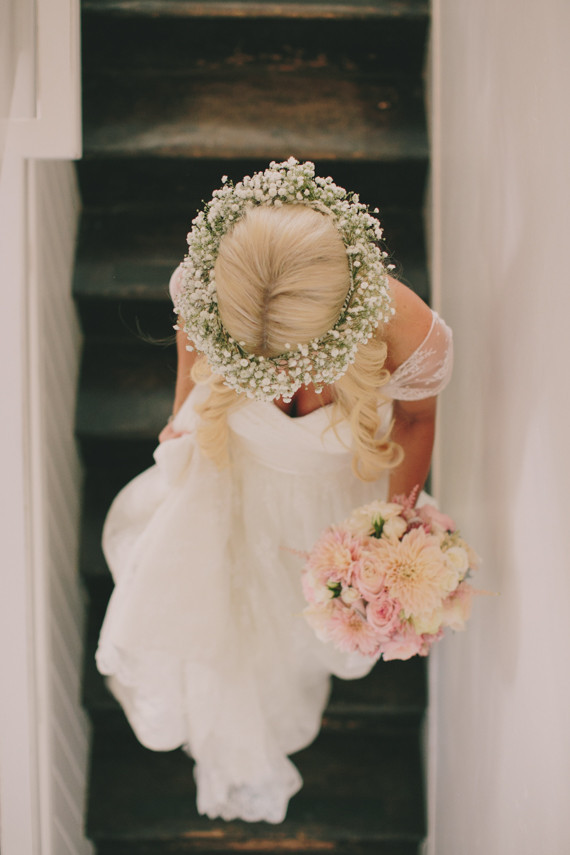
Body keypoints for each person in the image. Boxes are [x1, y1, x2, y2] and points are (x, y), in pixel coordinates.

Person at [96, 159, 453, 824]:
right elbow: (187, 342)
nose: (278, 373)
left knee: (292, 625)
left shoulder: (406, 325)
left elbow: (416, 416)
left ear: (346, 320)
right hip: (232, 474)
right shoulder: (206, 284)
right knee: (218, 612)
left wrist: (392, 528)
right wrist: (180, 416)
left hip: (328, 495)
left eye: (294, 355)